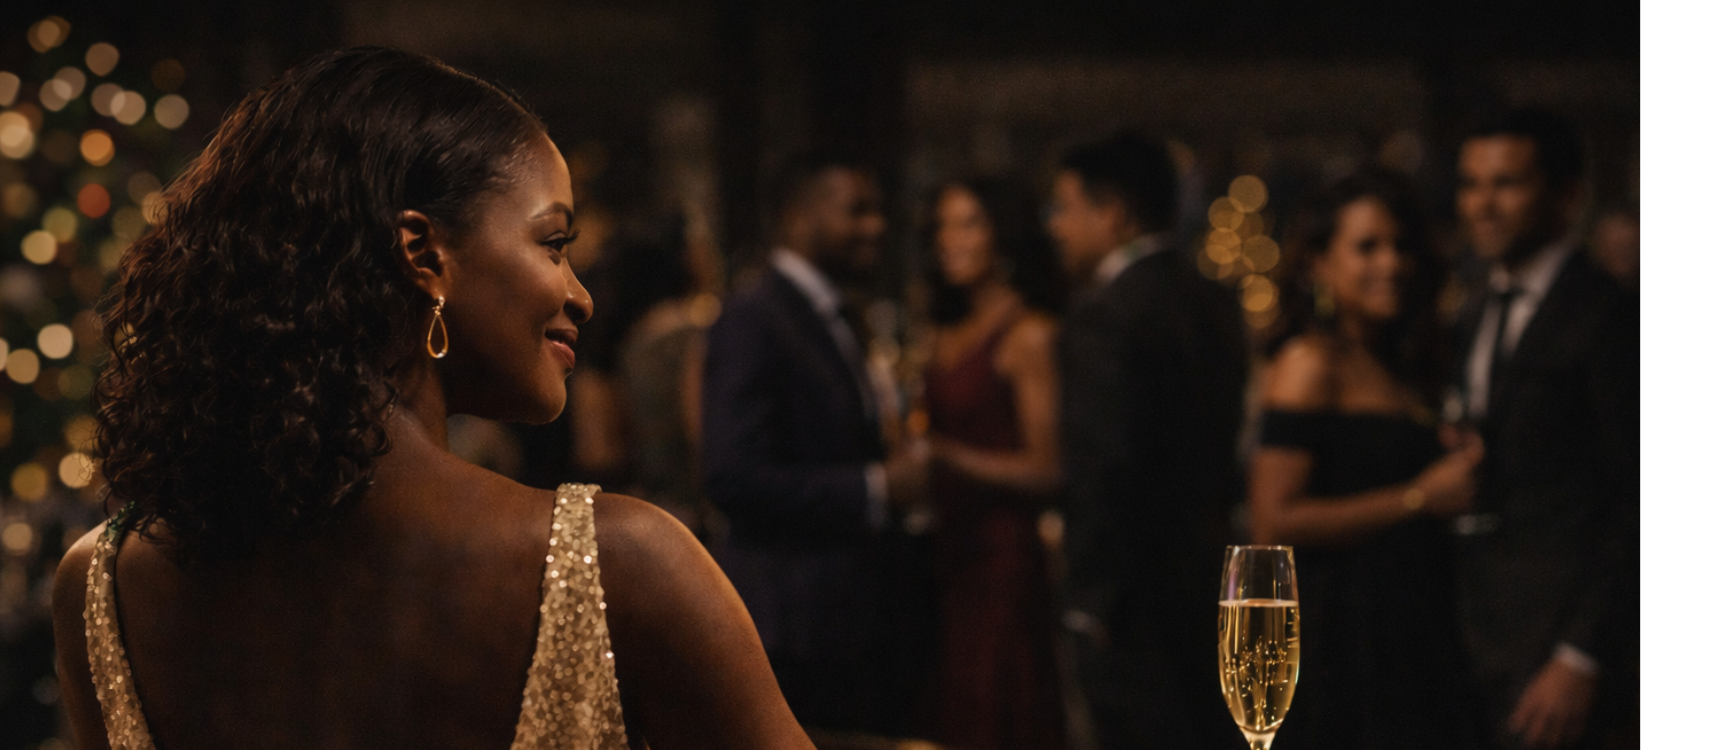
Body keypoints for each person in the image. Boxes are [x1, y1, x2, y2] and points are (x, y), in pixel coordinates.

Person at [50, 48, 813, 750]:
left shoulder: (102, 587)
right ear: (423, 253)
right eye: (553, 244)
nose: (579, 295)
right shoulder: (619, 567)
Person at [1248, 168, 1483, 750]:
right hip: (1344, 640)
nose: (1391, 263)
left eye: (1401, 246)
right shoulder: (1310, 362)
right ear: (1319, 264)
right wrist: (1418, 498)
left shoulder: (1400, 362)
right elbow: (1274, 520)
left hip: (1413, 628)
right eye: (1367, 247)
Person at [700, 153, 932, 737]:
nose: (876, 227)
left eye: (877, 211)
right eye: (857, 211)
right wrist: (875, 486)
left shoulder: (833, 313)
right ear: (798, 217)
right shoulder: (755, 315)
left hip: (844, 618)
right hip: (794, 622)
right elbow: (732, 476)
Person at [1046, 130, 1250, 749]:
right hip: (1208, 583)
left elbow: (1104, 467)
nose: (1057, 226)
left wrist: (1090, 603)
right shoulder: (1215, 301)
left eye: (1066, 208)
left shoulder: (1105, 313)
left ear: (1112, 213)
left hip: (1133, 606)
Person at [1449, 108, 1639, 750]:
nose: (1483, 205)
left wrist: (1583, 654)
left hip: (1568, 655)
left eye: (1507, 183)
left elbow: (1641, 500)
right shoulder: (1475, 308)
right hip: (1482, 642)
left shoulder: (1611, 317)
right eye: (1471, 184)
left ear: (1566, 195)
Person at [919, 178, 1065, 749]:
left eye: (969, 223)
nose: (950, 239)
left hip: (1004, 559)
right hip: (948, 553)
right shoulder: (943, 332)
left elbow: (1049, 468)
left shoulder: (1029, 334)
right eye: (943, 225)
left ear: (1003, 234)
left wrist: (948, 457)